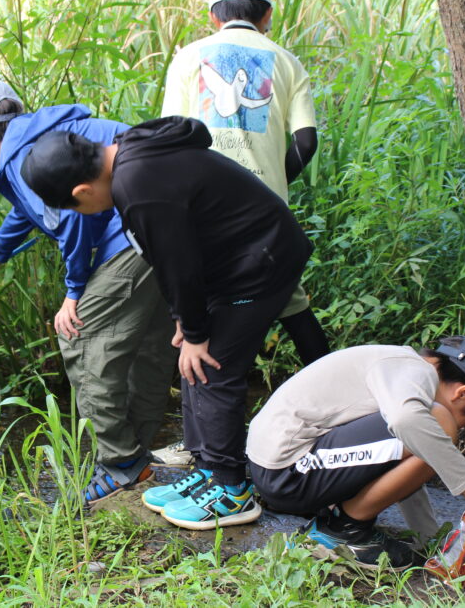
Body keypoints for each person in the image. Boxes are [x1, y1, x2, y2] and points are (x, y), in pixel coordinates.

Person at [21, 116, 312, 529]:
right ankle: (208, 471)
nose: (86, 211)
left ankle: (232, 489)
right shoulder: (129, 154)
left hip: (259, 262)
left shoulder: (137, 185)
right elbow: (174, 255)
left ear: (82, 191)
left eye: (78, 208)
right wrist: (185, 321)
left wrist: (196, 333)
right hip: (239, 258)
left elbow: (180, 265)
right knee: (190, 361)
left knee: (213, 368)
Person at [0, 78, 176, 502]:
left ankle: (122, 463)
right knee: (147, 342)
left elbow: (73, 217)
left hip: (128, 238)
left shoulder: (21, 156)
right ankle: (136, 453)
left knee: (80, 334)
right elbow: (30, 206)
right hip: (165, 224)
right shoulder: (41, 133)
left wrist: (74, 290)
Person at [160, 0, 329, 366]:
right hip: (268, 213)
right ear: (267, 15)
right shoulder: (287, 62)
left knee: (206, 305)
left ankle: (209, 410)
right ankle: (340, 395)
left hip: (203, 207)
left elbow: (171, 136)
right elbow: (306, 140)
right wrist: (270, 185)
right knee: (292, 304)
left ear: (213, 17)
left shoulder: (188, 58)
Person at [246, 336, 465, 570]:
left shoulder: (403, 370)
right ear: (464, 393)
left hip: (287, 469)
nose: (462, 428)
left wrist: (428, 537)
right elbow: (409, 424)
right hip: (290, 470)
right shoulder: (414, 372)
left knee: (428, 429)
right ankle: (344, 529)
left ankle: (347, 523)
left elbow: (406, 453)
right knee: (439, 423)